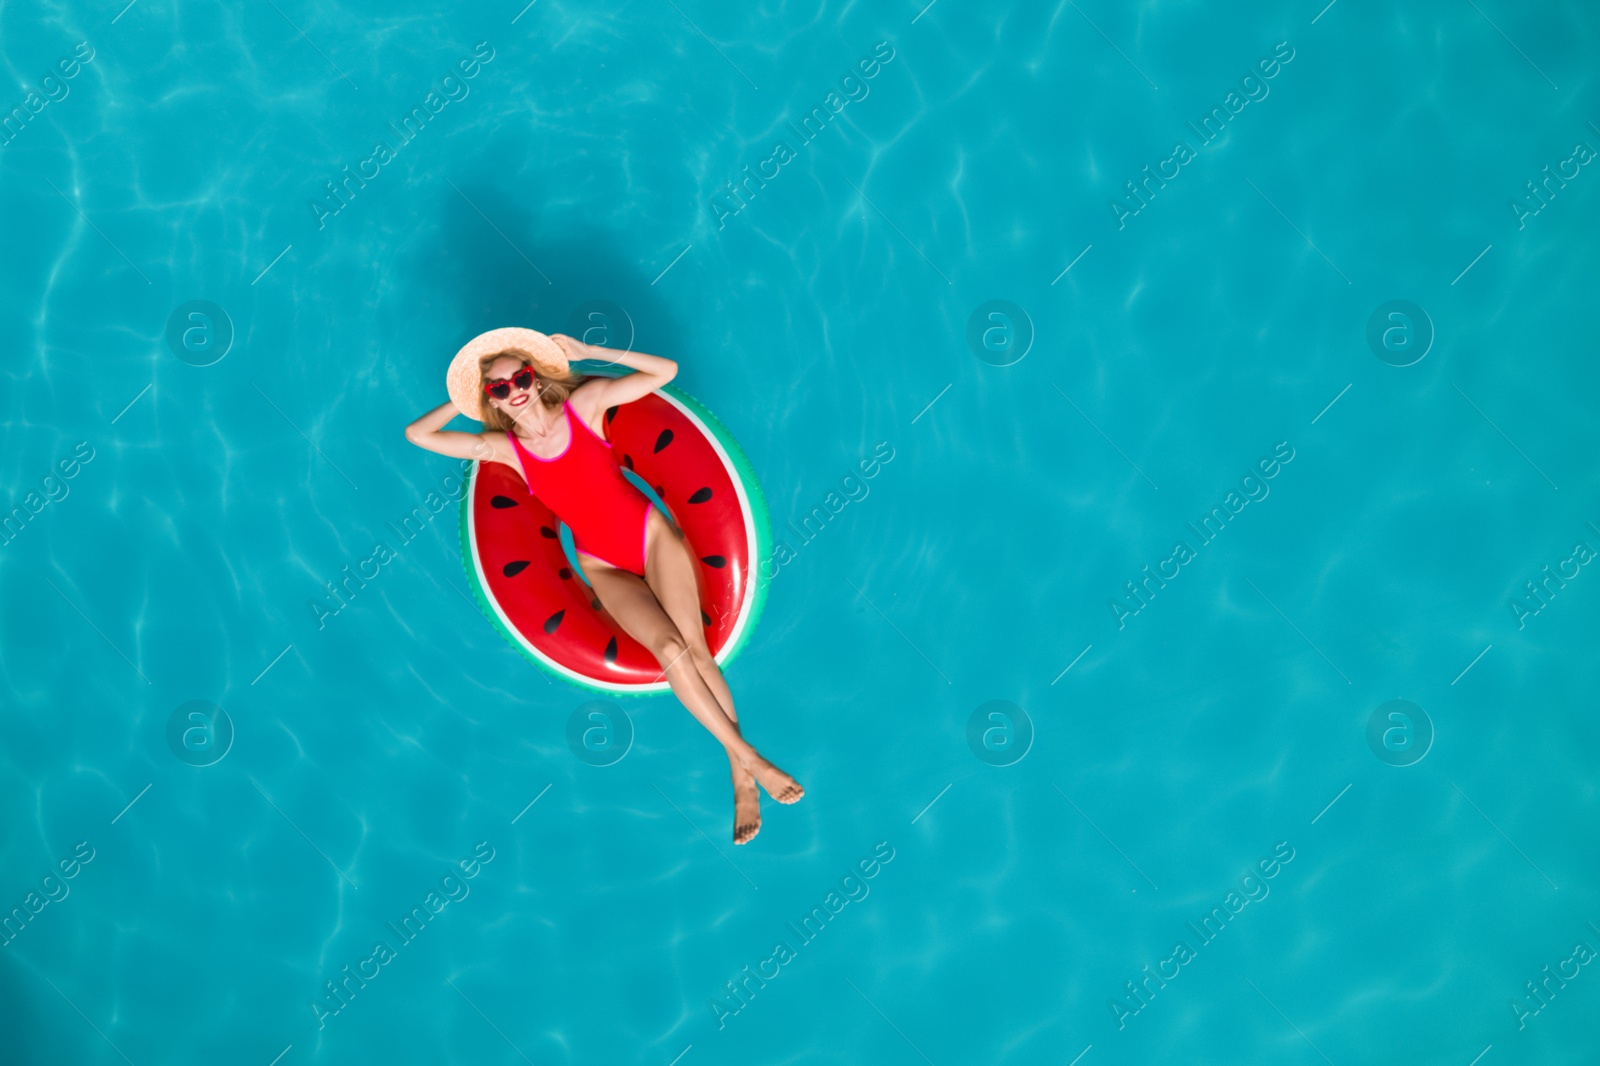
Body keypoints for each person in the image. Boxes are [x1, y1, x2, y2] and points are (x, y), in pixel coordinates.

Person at [406, 327, 802, 843]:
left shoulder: (584, 406)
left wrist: (591, 352)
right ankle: (748, 759)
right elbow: (420, 435)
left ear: (534, 375)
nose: (514, 391)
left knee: (699, 654)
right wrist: (463, 397)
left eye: (519, 377)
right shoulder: (504, 450)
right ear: (491, 398)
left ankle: (741, 775)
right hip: (600, 563)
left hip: (649, 537)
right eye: (499, 388)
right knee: (667, 649)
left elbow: (665, 372)